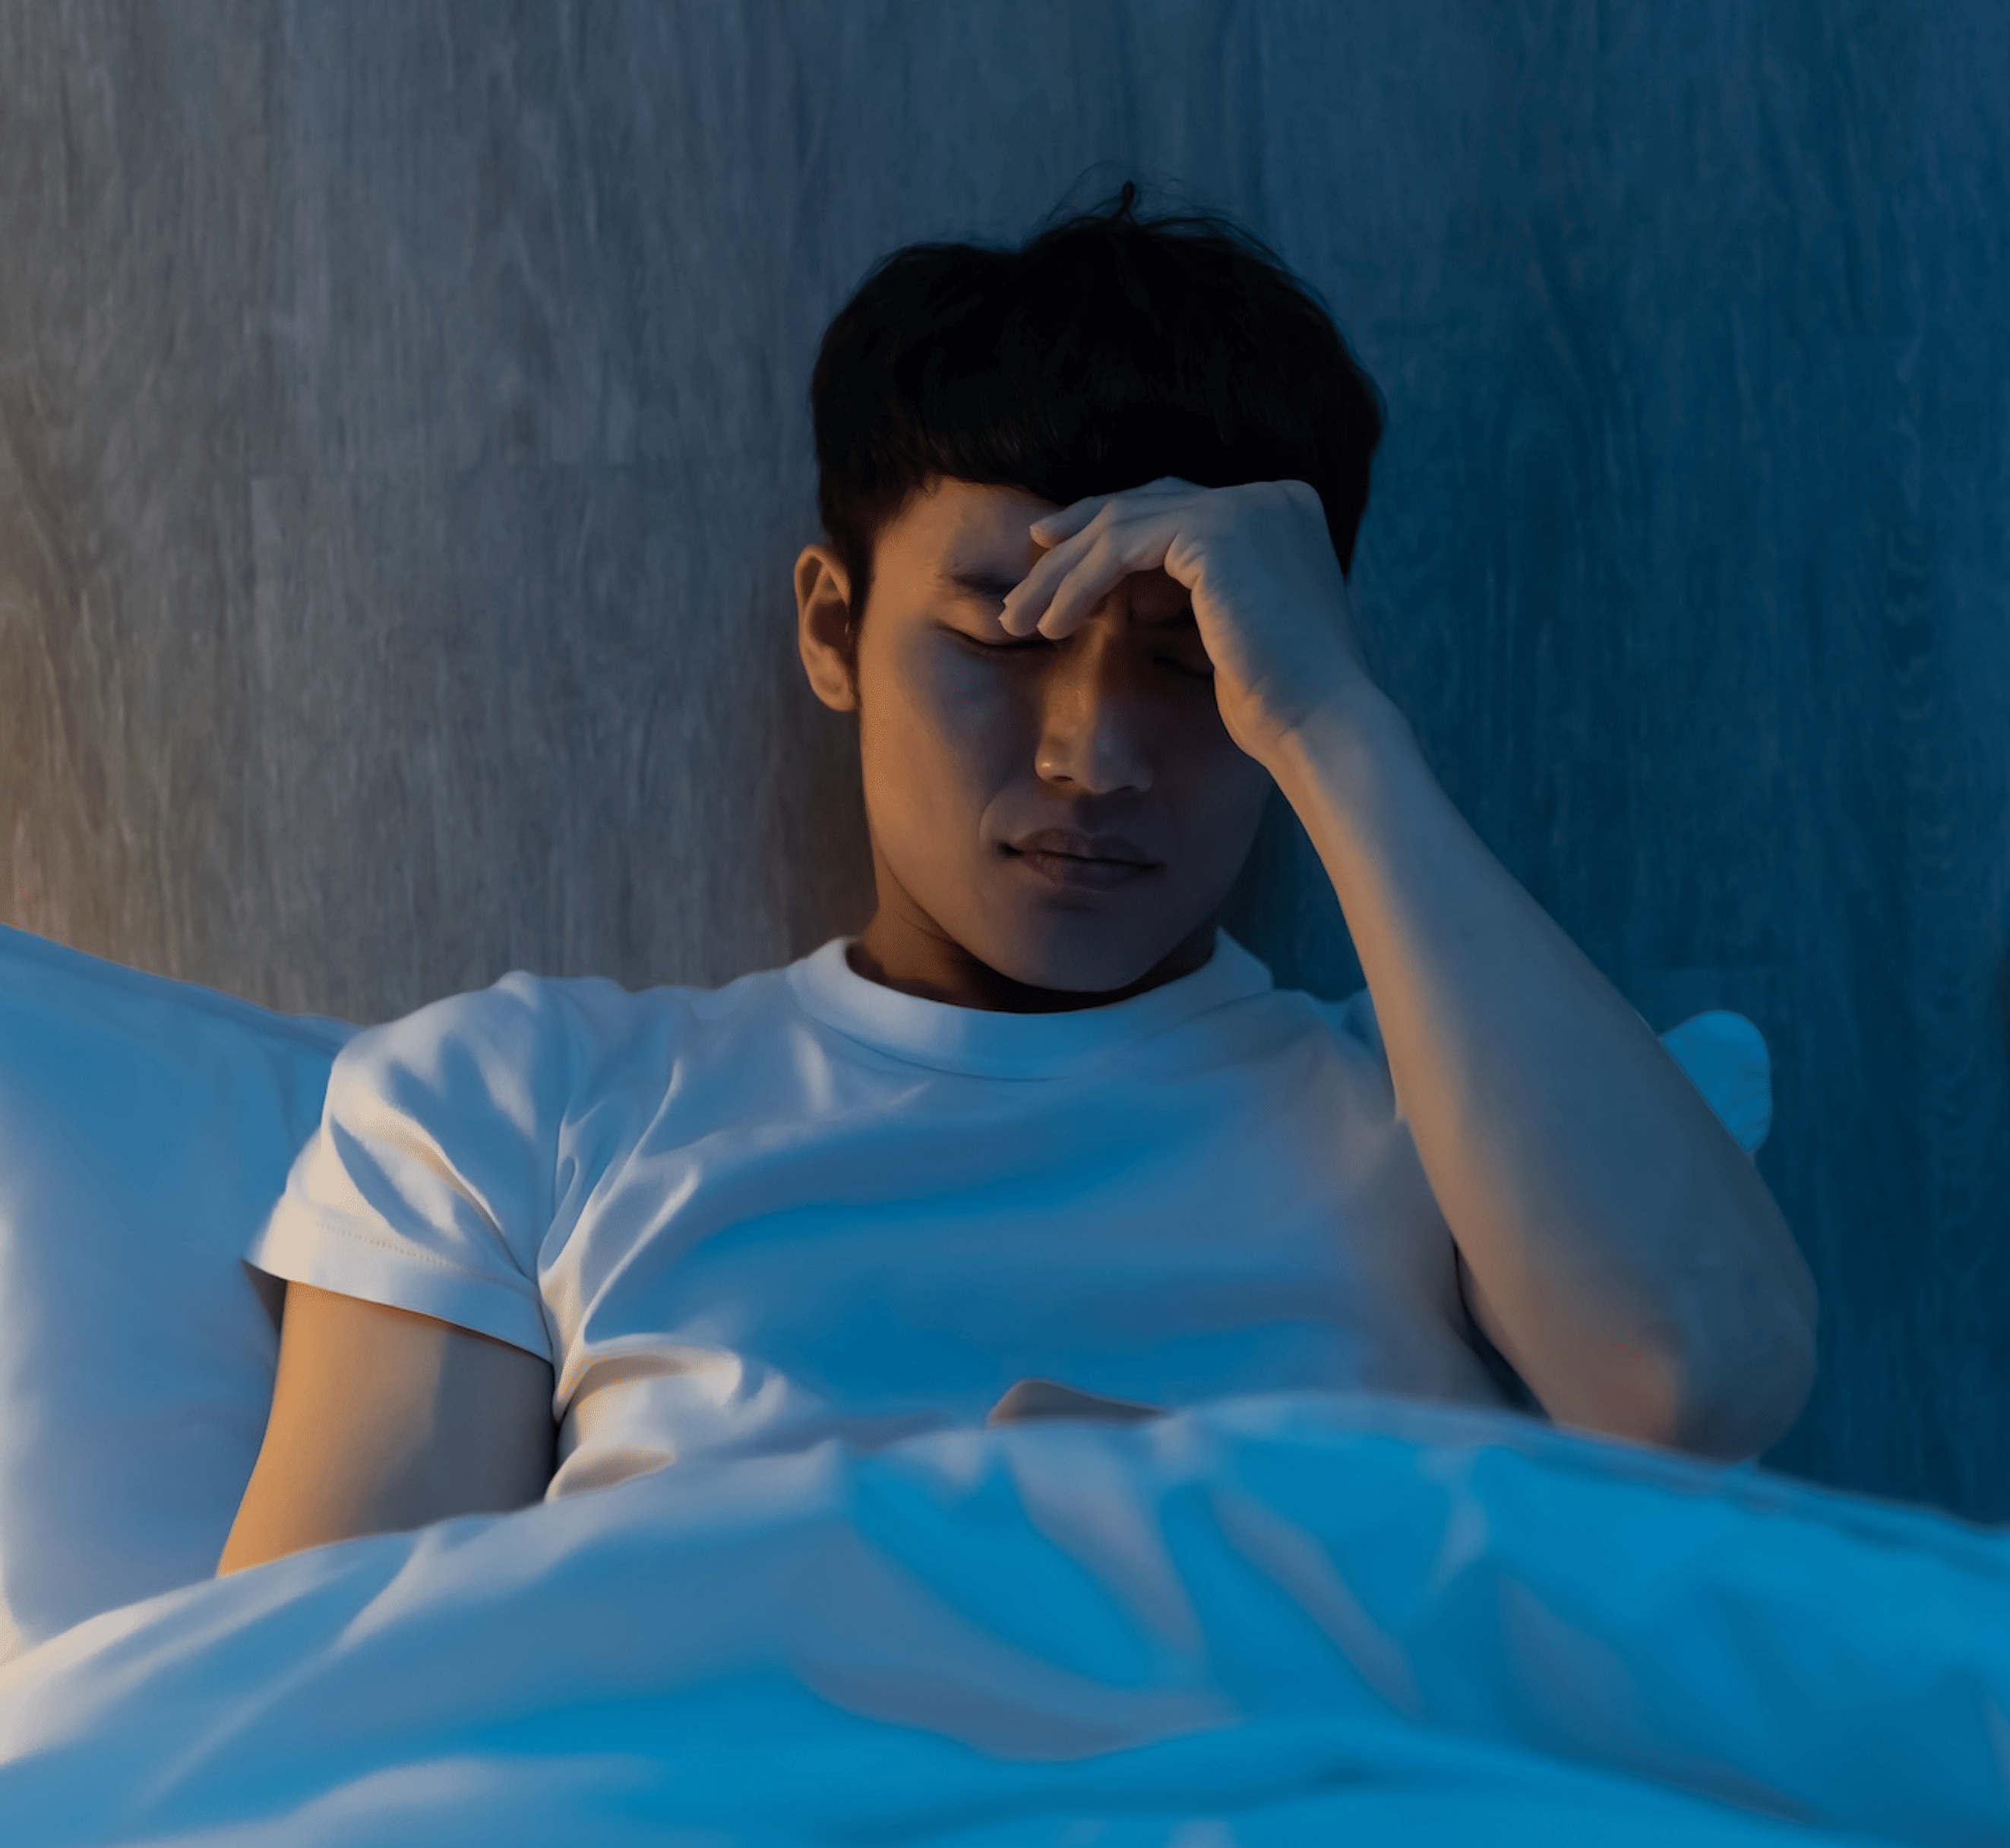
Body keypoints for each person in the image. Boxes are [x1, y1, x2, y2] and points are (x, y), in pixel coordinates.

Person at [218, 180, 1817, 1578]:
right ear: (835, 629)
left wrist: (1336, 723)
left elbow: (1687, 1387)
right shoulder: (525, 1104)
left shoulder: (1467, 1136)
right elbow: (303, 1706)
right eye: (1000, 637)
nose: (1094, 756)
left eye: (1191, 659)